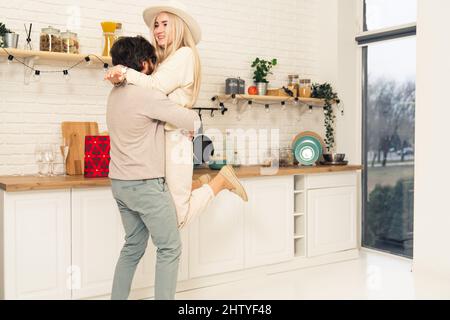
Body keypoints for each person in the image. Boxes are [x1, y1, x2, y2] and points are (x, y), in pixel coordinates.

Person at [107, 36, 247, 300]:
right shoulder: (146, 95)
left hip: (119, 184)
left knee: (133, 246)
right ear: (143, 64)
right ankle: (215, 183)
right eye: (153, 62)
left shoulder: (114, 95)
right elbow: (191, 119)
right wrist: (187, 129)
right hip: (145, 184)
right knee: (169, 247)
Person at [105, 0, 248, 231]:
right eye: (156, 25)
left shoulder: (185, 54)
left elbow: (155, 86)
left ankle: (221, 181)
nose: (158, 30)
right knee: (169, 204)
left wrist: (124, 71)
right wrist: (121, 75)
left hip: (177, 137)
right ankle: (196, 185)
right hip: (167, 135)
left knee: (177, 220)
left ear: (179, 27)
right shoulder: (167, 59)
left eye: (164, 24)